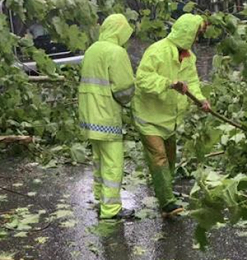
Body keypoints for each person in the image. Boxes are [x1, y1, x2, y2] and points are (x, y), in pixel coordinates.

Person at [132, 14, 211, 218]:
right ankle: (168, 203)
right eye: (195, 35)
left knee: (170, 158)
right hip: (149, 117)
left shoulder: (188, 57)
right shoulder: (157, 51)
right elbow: (142, 79)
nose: (196, 39)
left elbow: (192, 82)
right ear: (187, 33)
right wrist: (170, 83)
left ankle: (165, 191)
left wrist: (201, 100)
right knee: (159, 158)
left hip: (170, 119)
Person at [78, 14, 136, 220]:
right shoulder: (116, 52)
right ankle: (111, 209)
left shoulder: (92, 50)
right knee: (113, 163)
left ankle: (100, 197)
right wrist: (128, 102)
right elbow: (124, 88)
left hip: (89, 115)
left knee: (99, 160)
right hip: (106, 115)